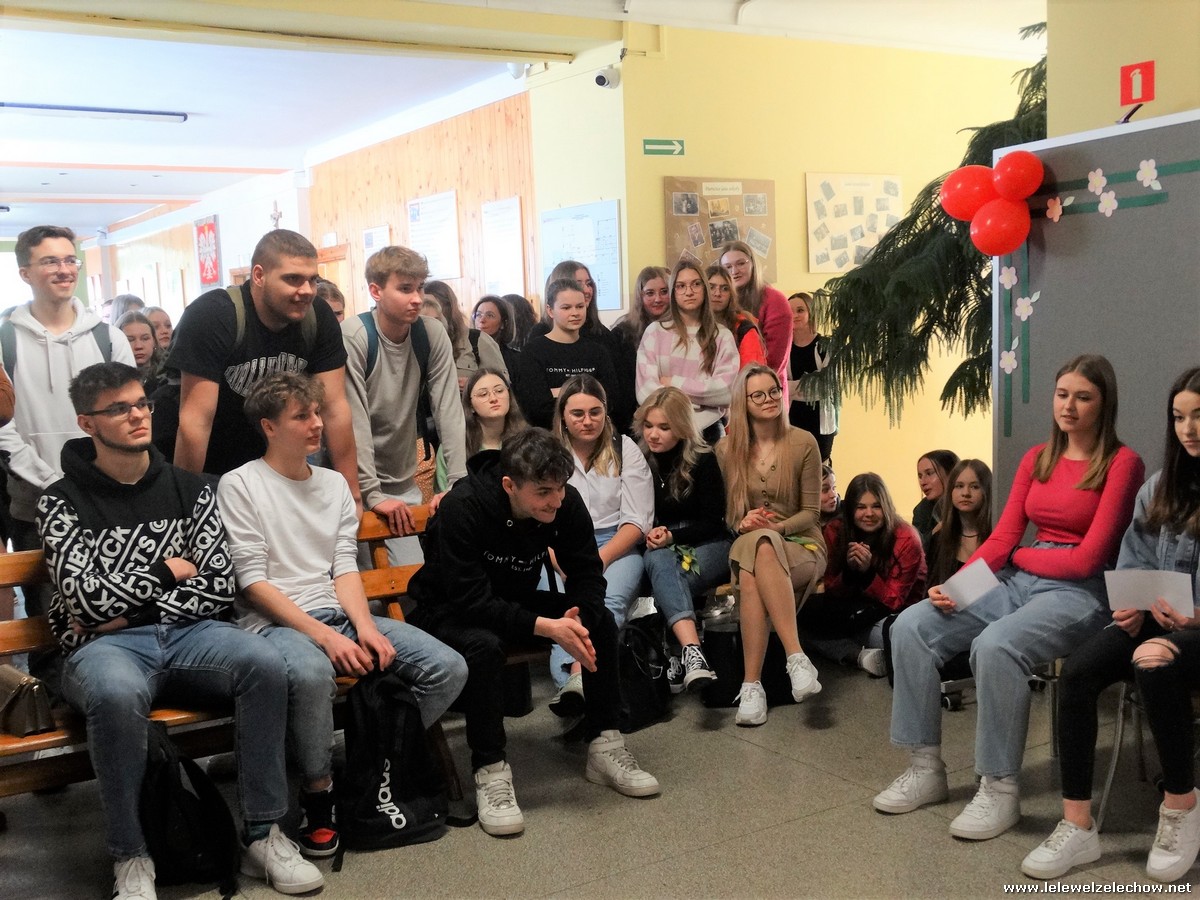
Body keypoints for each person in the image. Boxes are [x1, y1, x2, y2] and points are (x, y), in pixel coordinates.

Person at [37, 362, 323, 899]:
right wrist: (168, 570)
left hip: (190, 635)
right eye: (118, 409)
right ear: (87, 423)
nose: (137, 415)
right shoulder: (61, 501)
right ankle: (131, 854)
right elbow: (84, 602)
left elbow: (218, 585)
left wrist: (130, 609)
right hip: (104, 647)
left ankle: (263, 832)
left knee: (263, 663)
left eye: (141, 403)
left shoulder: (190, 488)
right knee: (115, 693)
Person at [875, 354, 1144, 842]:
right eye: (1062, 394)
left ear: (1104, 404)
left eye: (1083, 397)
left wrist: (1023, 557)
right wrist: (958, 587)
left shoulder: (1122, 464)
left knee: (997, 645)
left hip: (1081, 594)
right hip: (1021, 577)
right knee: (912, 625)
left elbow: (1088, 559)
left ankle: (999, 789)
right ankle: (925, 769)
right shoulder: (1037, 458)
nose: (1069, 406)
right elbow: (1002, 540)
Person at [217, 372, 467, 859]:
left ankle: (368, 765)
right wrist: (327, 638)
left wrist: (366, 628)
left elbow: (344, 567)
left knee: (448, 667)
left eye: (317, 413)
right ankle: (319, 793)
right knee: (312, 673)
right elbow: (253, 584)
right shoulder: (240, 484)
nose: (317, 424)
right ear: (269, 427)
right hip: (273, 625)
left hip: (339, 612)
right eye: (301, 416)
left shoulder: (332, 484)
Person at [407, 428, 660, 837]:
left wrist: (578, 617)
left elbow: (587, 572)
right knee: (485, 646)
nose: (556, 500)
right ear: (510, 485)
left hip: (512, 603)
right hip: (447, 610)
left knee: (597, 620)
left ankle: (605, 743)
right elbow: (469, 599)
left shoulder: (564, 501)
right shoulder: (463, 507)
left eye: (560, 488)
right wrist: (547, 627)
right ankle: (490, 770)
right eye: (543, 492)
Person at [1021, 367, 1200, 882]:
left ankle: (1181, 807)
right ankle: (1078, 826)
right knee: (1078, 673)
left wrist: (1193, 619)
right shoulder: (1159, 488)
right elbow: (1133, 561)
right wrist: (1133, 604)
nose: (1187, 429)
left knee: (1153, 662)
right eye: (1178, 417)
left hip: (1194, 630)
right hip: (1161, 622)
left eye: (1198, 416)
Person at [167, 230, 360, 511]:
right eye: (293, 279)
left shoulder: (318, 317)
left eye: (312, 279)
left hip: (288, 472)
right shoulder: (212, 315)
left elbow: (334, 408)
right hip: (218, 474)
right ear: (259, 275)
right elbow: (195, 421)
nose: (307, 290)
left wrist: (353, 495)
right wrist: (186, 509)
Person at [0, 226, 135, 617]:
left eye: (69, 259)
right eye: (49, 261)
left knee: (113, 610)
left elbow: (130, 414)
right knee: (48, 619)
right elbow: (2, 427)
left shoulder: (109, 338)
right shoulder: (5, 341)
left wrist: (99, 479)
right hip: (34, 505)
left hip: (106, 500)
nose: (64, 269)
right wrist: (51, 481)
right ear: (25, 273)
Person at [342, 245, 467, 563]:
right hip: (350, 486)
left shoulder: (431, 333)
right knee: (364, 582)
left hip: (401, 484)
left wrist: (457, 483)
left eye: (420, 288)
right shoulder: (356, 336)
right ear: (376, 291)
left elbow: (449, 410)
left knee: (413, 580)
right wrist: (371, 494)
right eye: (405, 288)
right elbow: (355, 423)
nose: (417, 298)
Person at [717, 364, 827, 726]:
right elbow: (728, 517)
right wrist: (741, 522)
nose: (769, 399)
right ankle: (796, 660)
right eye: (758, 395)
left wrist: (775, 528)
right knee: (759, 548)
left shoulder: (803, 441)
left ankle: (753, 686)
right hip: (752, 544)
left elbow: (812, 513)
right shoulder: (725, 450)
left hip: (802, 544)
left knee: (758, 557)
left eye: (774, 391)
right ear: (743, 403)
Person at [546, 376, 654, 714]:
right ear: (563, 416)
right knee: (563, 607)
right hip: (557, 548)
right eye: (577, 414)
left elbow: (637, 520)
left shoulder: (624, 448)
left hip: (616, 546)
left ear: (606, 412)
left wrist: (598, 560)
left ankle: (577, 678)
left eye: (595, 412)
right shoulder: (547, 452)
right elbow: (535, 516)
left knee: (606, 603)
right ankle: (578, 686)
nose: (587, 421)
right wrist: (557, 560)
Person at [636, 386, 729, 691]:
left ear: (681, 426)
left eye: (664, 427)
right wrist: (660, 538)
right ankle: (692, 653)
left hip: (709, 542)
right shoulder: (638, 461)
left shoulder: (703, 459)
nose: (653, 434)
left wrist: (672, 536)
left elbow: (714, 523)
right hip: (661, 547)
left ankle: (673, 652)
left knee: (663, 571)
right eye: (648, 425)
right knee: (659, 561)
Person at [799, 472, 926, 677]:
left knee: (894, 636)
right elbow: (830, 588)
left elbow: (895, 600)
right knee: (801, 626)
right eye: (861, 507)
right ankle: (859, 656)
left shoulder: (906, 537)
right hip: (852, 607)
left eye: (876, 506)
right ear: (850, 509)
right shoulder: (835, 530)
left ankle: (856, 650)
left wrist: (868, 574)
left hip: (895, 614)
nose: (869, 513)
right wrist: (850, 572)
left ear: (886, 507)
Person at [635, 260, 739, 446]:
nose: (689, 292)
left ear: (704, 288)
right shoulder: (655, 332)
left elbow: (725, 392)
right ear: (673, 292)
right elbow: (645, 391)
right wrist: (701, 401)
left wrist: (672, 383)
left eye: (696, 284)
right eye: (681, 286)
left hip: (708, 431)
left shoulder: (722, 336)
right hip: (664, 430)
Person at [516, 278, 621, 430]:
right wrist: (588, 395)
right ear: (550, 310)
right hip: (550, 435)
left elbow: (610, 401)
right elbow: (536, 409)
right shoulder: (533, 351)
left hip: (592, 431)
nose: (575, 313)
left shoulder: (598, 352)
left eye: (580, 306)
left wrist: (559, 393)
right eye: (566, 308)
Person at [719, 241, 792, 405]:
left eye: (741, 264)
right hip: (728, 395)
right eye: (727, 267)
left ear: (753, 264)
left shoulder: (775, 300)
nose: (734, 271)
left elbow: (775, 361)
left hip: (765, 394)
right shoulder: (721, 301)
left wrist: (752, 391)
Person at [435, 367, 526, 493]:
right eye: (483, 394)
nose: (493, 398)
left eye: (499, 391)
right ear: (470, 405)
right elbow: (445, 495)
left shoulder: (527, 441)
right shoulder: (452, 447)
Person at [611, 265, 671, 430]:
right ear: (640, 296)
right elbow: (622, 385)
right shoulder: (622, 333)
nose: (658, 299)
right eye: (650, 293)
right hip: (634, 417)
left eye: (664, 292)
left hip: (672, 411)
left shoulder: (680, 330)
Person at [424, 280, 509, 390]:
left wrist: (474, 385)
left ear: (447, 308)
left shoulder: (478, 340)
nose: (429, 312)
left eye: (434, 305)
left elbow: (502, 384)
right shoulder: (416, 341)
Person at [786, 291, 838, 462]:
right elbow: (780, 385)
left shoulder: (826, 345)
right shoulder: (784, 347)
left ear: (811, 312)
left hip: (821, 422)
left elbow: (825, 387)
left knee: (820, 468)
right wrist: (807, 385)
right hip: (792, 419)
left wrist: (791, 387)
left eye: (800, 310)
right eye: (790, 311)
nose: (794, 315)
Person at [926, 459, 993, 587]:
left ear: (986, 491)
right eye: (959, 486)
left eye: (974, 487)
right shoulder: (938, 539)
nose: (965, 493)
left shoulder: (996, 537)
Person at [707, 264, 766, 370]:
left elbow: (752, 373)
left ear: (732, 294)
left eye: (725, 289)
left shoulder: (744, 328)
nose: (717, 293)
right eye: (711, 287)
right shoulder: (691, 324)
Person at [912, 449, 959, 550]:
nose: (923, 482)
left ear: (951, 474)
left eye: (929, 473)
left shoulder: (965, 504)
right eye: (920, 476)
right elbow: (917, 549)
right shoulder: (921, 509)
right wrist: (934, 533)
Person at [472, 295, 521, 381]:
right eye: (478, 315)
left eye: (490, 315)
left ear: (503, 324)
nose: (482, 320)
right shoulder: (464, 353)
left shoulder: (516, 359)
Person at [116, 311, 166, 394]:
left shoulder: (167, 375)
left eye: (145, 338)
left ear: (154, 340)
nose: (138, 346)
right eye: (130, 340)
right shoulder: (111, 381)